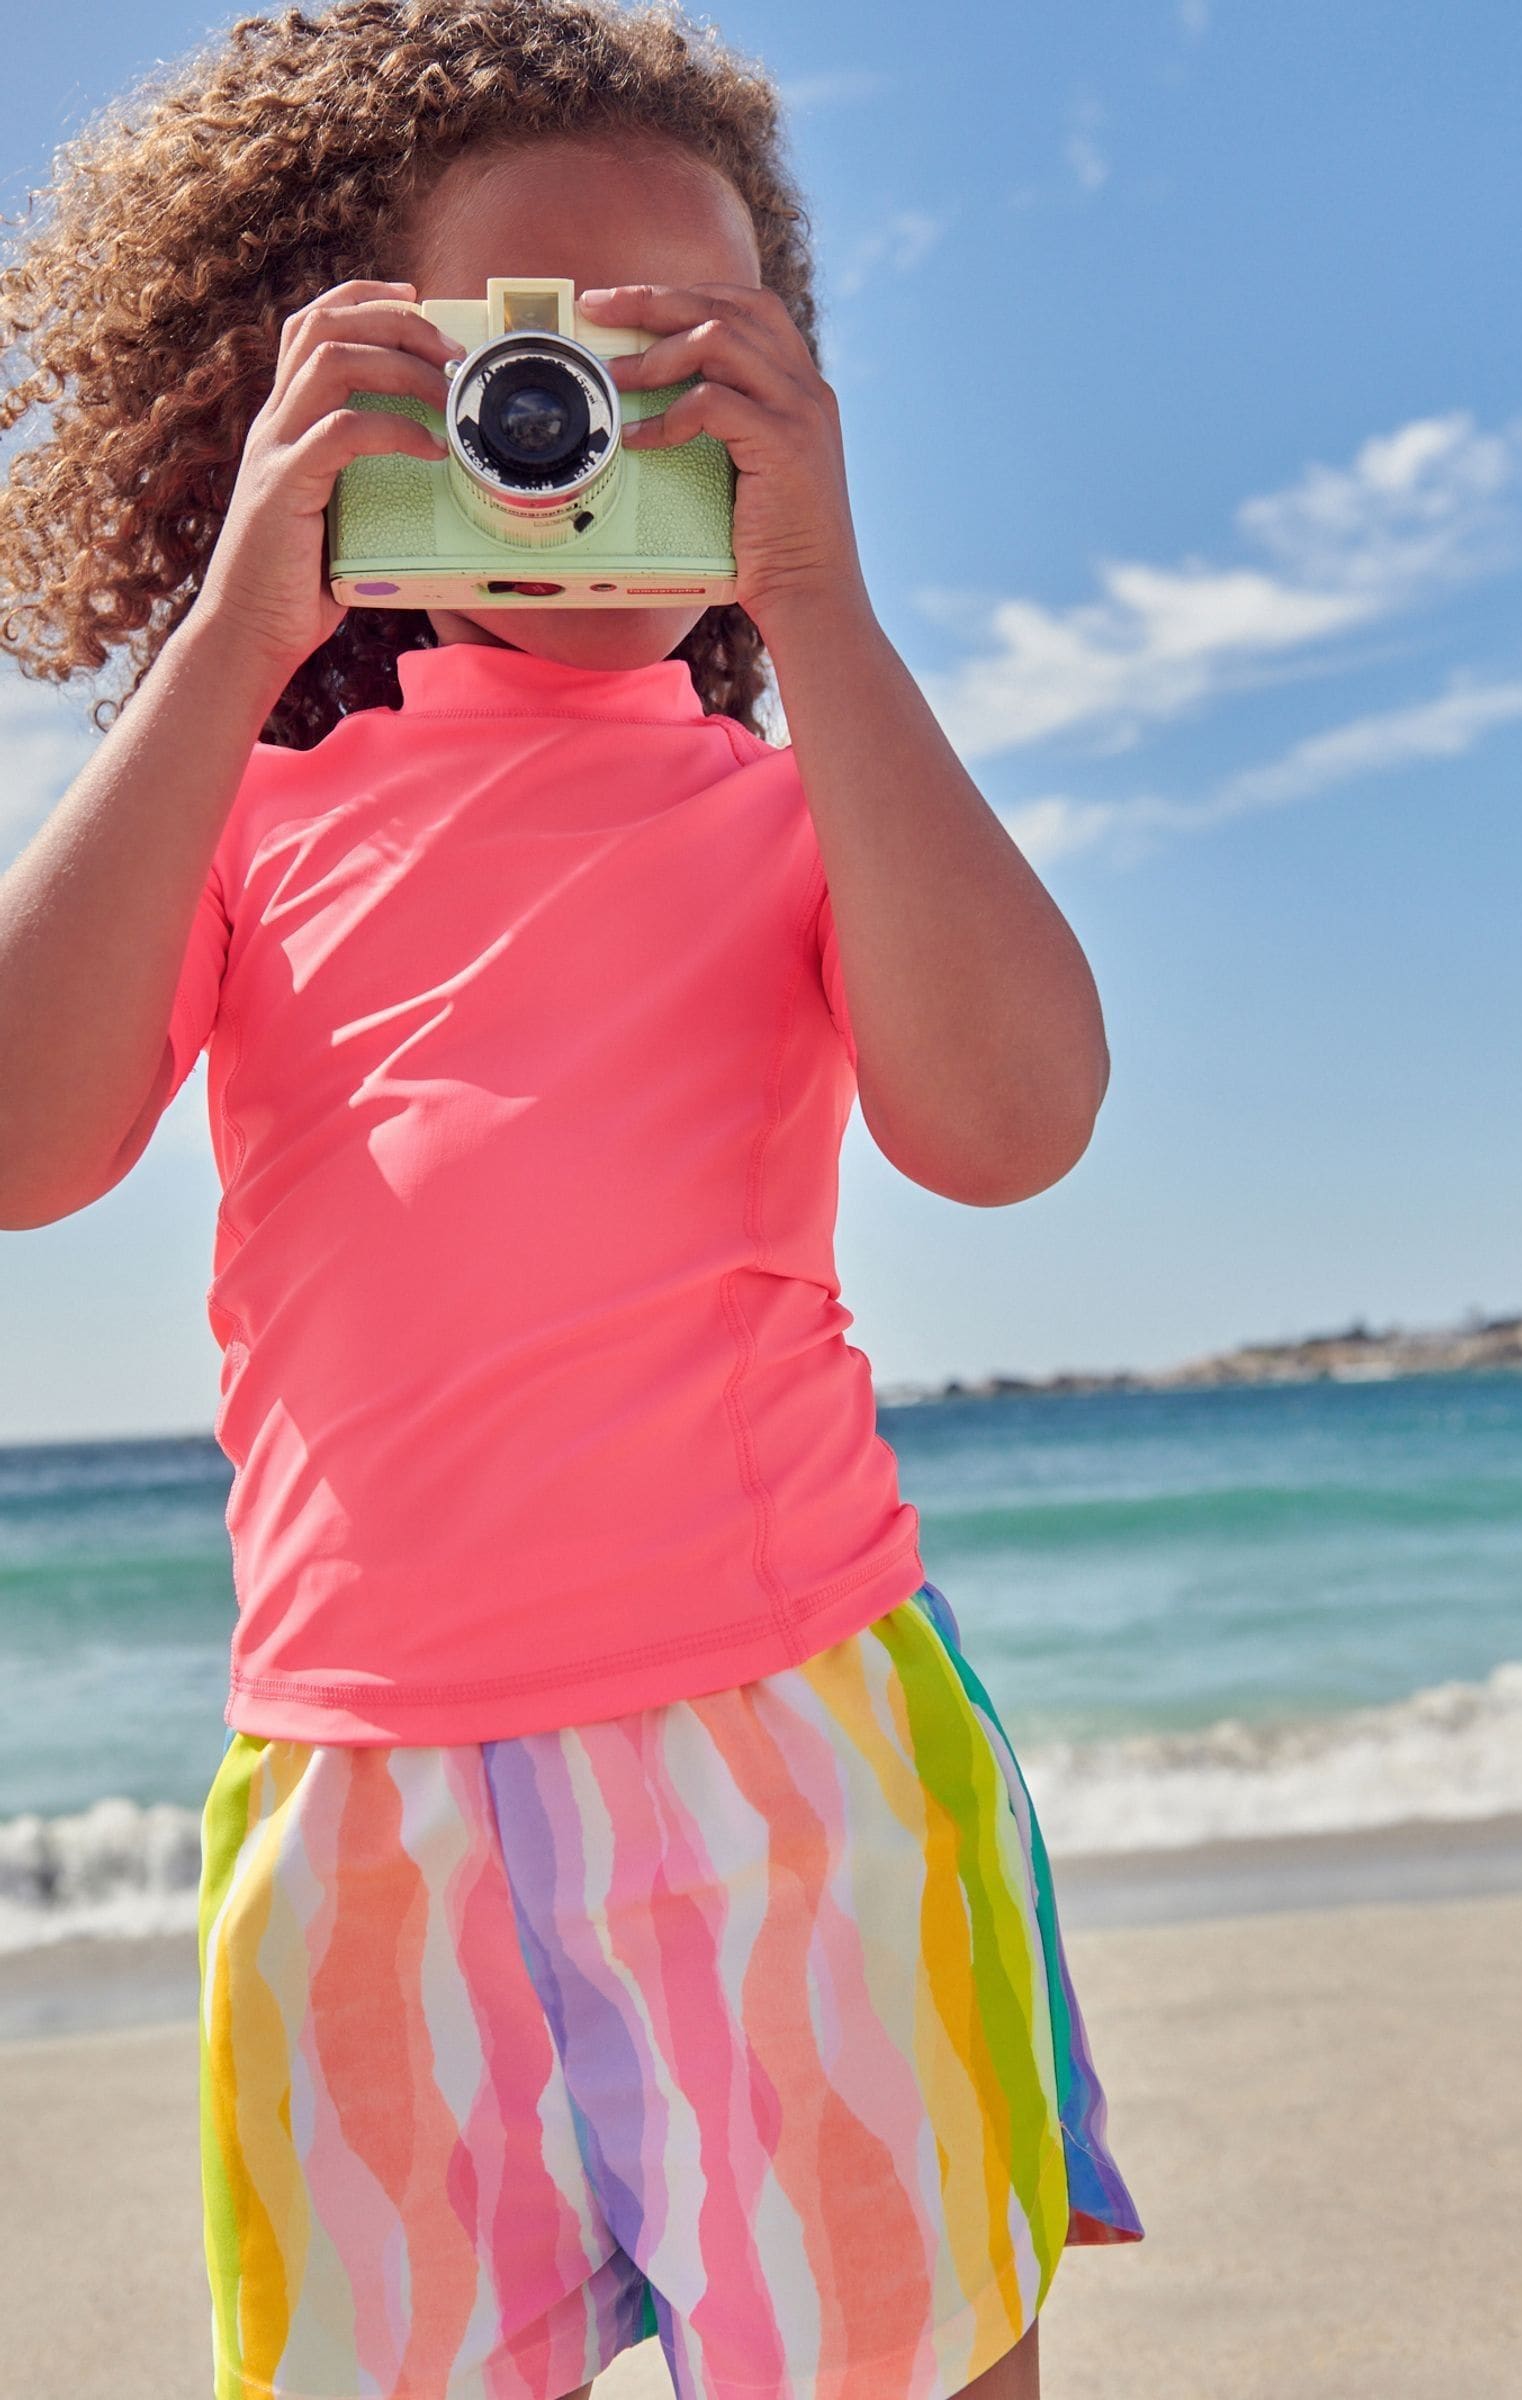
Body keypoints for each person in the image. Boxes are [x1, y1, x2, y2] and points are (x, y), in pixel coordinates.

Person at [0, 4, 1144, 2395]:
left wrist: (822, 609)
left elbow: (1016, 1125)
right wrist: (238, 623)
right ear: (324, 387)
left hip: (785, 1761)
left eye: (683, 363)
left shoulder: (796, 790)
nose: (596, 433)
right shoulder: (249, 801)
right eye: (530, 364)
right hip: (358, 1790)